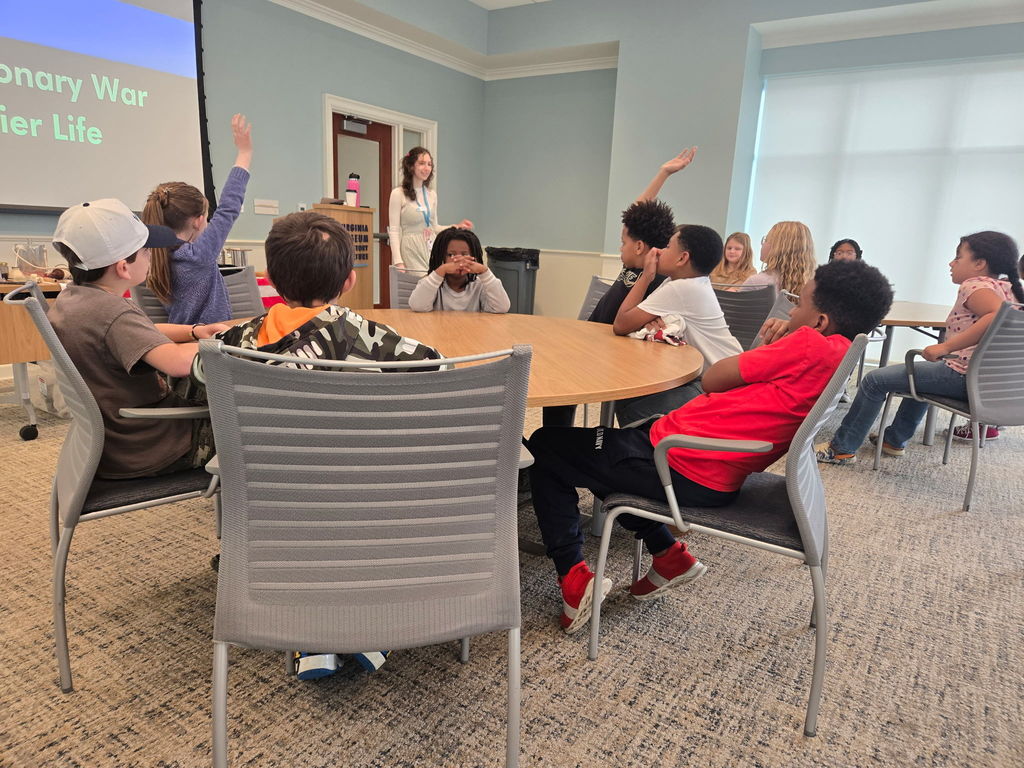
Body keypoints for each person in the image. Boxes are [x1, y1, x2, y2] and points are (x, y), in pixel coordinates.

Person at [526, 259, 893, 633]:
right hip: (701, 461)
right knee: (593, 456)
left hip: (681, 461)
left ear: (820, 322)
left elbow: (714, 379)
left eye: (800, 305)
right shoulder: (839, 353)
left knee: (546, 446)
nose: (792, 310)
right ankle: (669, 555)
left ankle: (573, 578)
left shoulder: (808, 344)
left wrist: (776, 345)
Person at [189, 210, 442, 680]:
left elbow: (201, 374)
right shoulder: (363, 334)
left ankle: (313, 639)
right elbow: (434, 366)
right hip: (359, 494)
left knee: (309, 518)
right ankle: (364, 631)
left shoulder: (238, 339)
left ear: (272, 281)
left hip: (273, 496)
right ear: (348, 281)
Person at [49, 199, 231, 479]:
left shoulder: (76, 299)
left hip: (120, 439)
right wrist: (229, 339)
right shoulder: (113, 312)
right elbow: (178, 363)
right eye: (146, 251)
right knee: (254, 419)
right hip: (153, 443)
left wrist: (194, 331)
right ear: (123, 267)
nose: (151, 256)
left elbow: (141, 330)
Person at [815, 231, 1022, 464]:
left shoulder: (974, 285)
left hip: (963, 376)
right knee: (919, 375)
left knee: (874, 381)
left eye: (958, 257)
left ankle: (841, 448)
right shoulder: (1010, 289)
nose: (951, 263)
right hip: (990, 384)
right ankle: (893, 440)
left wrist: (946, 347)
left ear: (979, 263)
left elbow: (996, 316)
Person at [542, 148, 692, 428]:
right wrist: (663, 173)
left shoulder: (655, 277)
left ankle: (556, 443)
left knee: (559, 376)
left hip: (609, 356)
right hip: (591, 340)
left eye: (623, 243)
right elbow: (636, 216)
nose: (619, 247)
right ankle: (556, 440)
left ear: (638, 247)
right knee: (552, 362)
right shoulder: (634, 264)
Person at [610, 224, 743, 425]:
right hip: (714, 377)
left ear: (682, 258)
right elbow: (637, 321)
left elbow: (621, 324)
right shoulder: (686, 283)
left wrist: (646, 275)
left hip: (722, 387)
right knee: (629, 398)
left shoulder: (683, 288)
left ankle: (648, 452)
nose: (660, 251)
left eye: (668, 247)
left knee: (635, 409)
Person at [141, 114, 253, 325]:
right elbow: (229, 207)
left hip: (179, 343)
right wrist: (244, 153)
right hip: (212, 349)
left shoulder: (153, 260)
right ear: (198, 221)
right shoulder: (196, 256)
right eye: (207, 218)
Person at [387, 147, 472, 273]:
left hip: (431, 248)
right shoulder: (398, 194)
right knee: (421, 286)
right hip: (411, 249)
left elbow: (434, 227)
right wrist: (398, 261)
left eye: (429, 164)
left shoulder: (431, 195)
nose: (426, 168)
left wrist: (456, 227)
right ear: (411, 166)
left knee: (435, 285)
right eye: (421, 163)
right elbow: (393, 231)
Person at [407, 227, 510, 312]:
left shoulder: (480, 284)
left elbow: (502, 308)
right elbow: (417, 306)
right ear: (441, 257)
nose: (458, 260)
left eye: (465, 254)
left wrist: (485, 272)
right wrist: (441, 270)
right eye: (451, 255)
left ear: (474, 257)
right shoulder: (432, 283)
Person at [742, 221, 816, 295]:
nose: (762, 244)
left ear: (777, 248)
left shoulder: (756, 283)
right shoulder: (812, 287)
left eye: (766, 240)